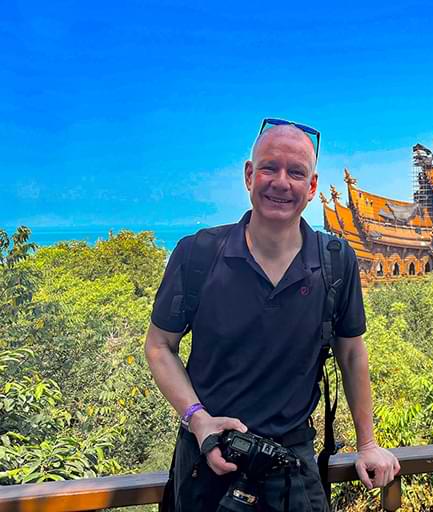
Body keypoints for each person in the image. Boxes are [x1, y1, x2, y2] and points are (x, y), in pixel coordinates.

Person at [145, 119, 400, 511]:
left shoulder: (334, 263)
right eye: (269, 168)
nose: (281, 182)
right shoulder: (199, 254)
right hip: (209, 458)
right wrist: (198, 419)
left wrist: (367, 443)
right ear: (249, 175)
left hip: (291, 468)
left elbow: (351, 353)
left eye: (296, 172)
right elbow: (160, 346)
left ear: (312, 187)